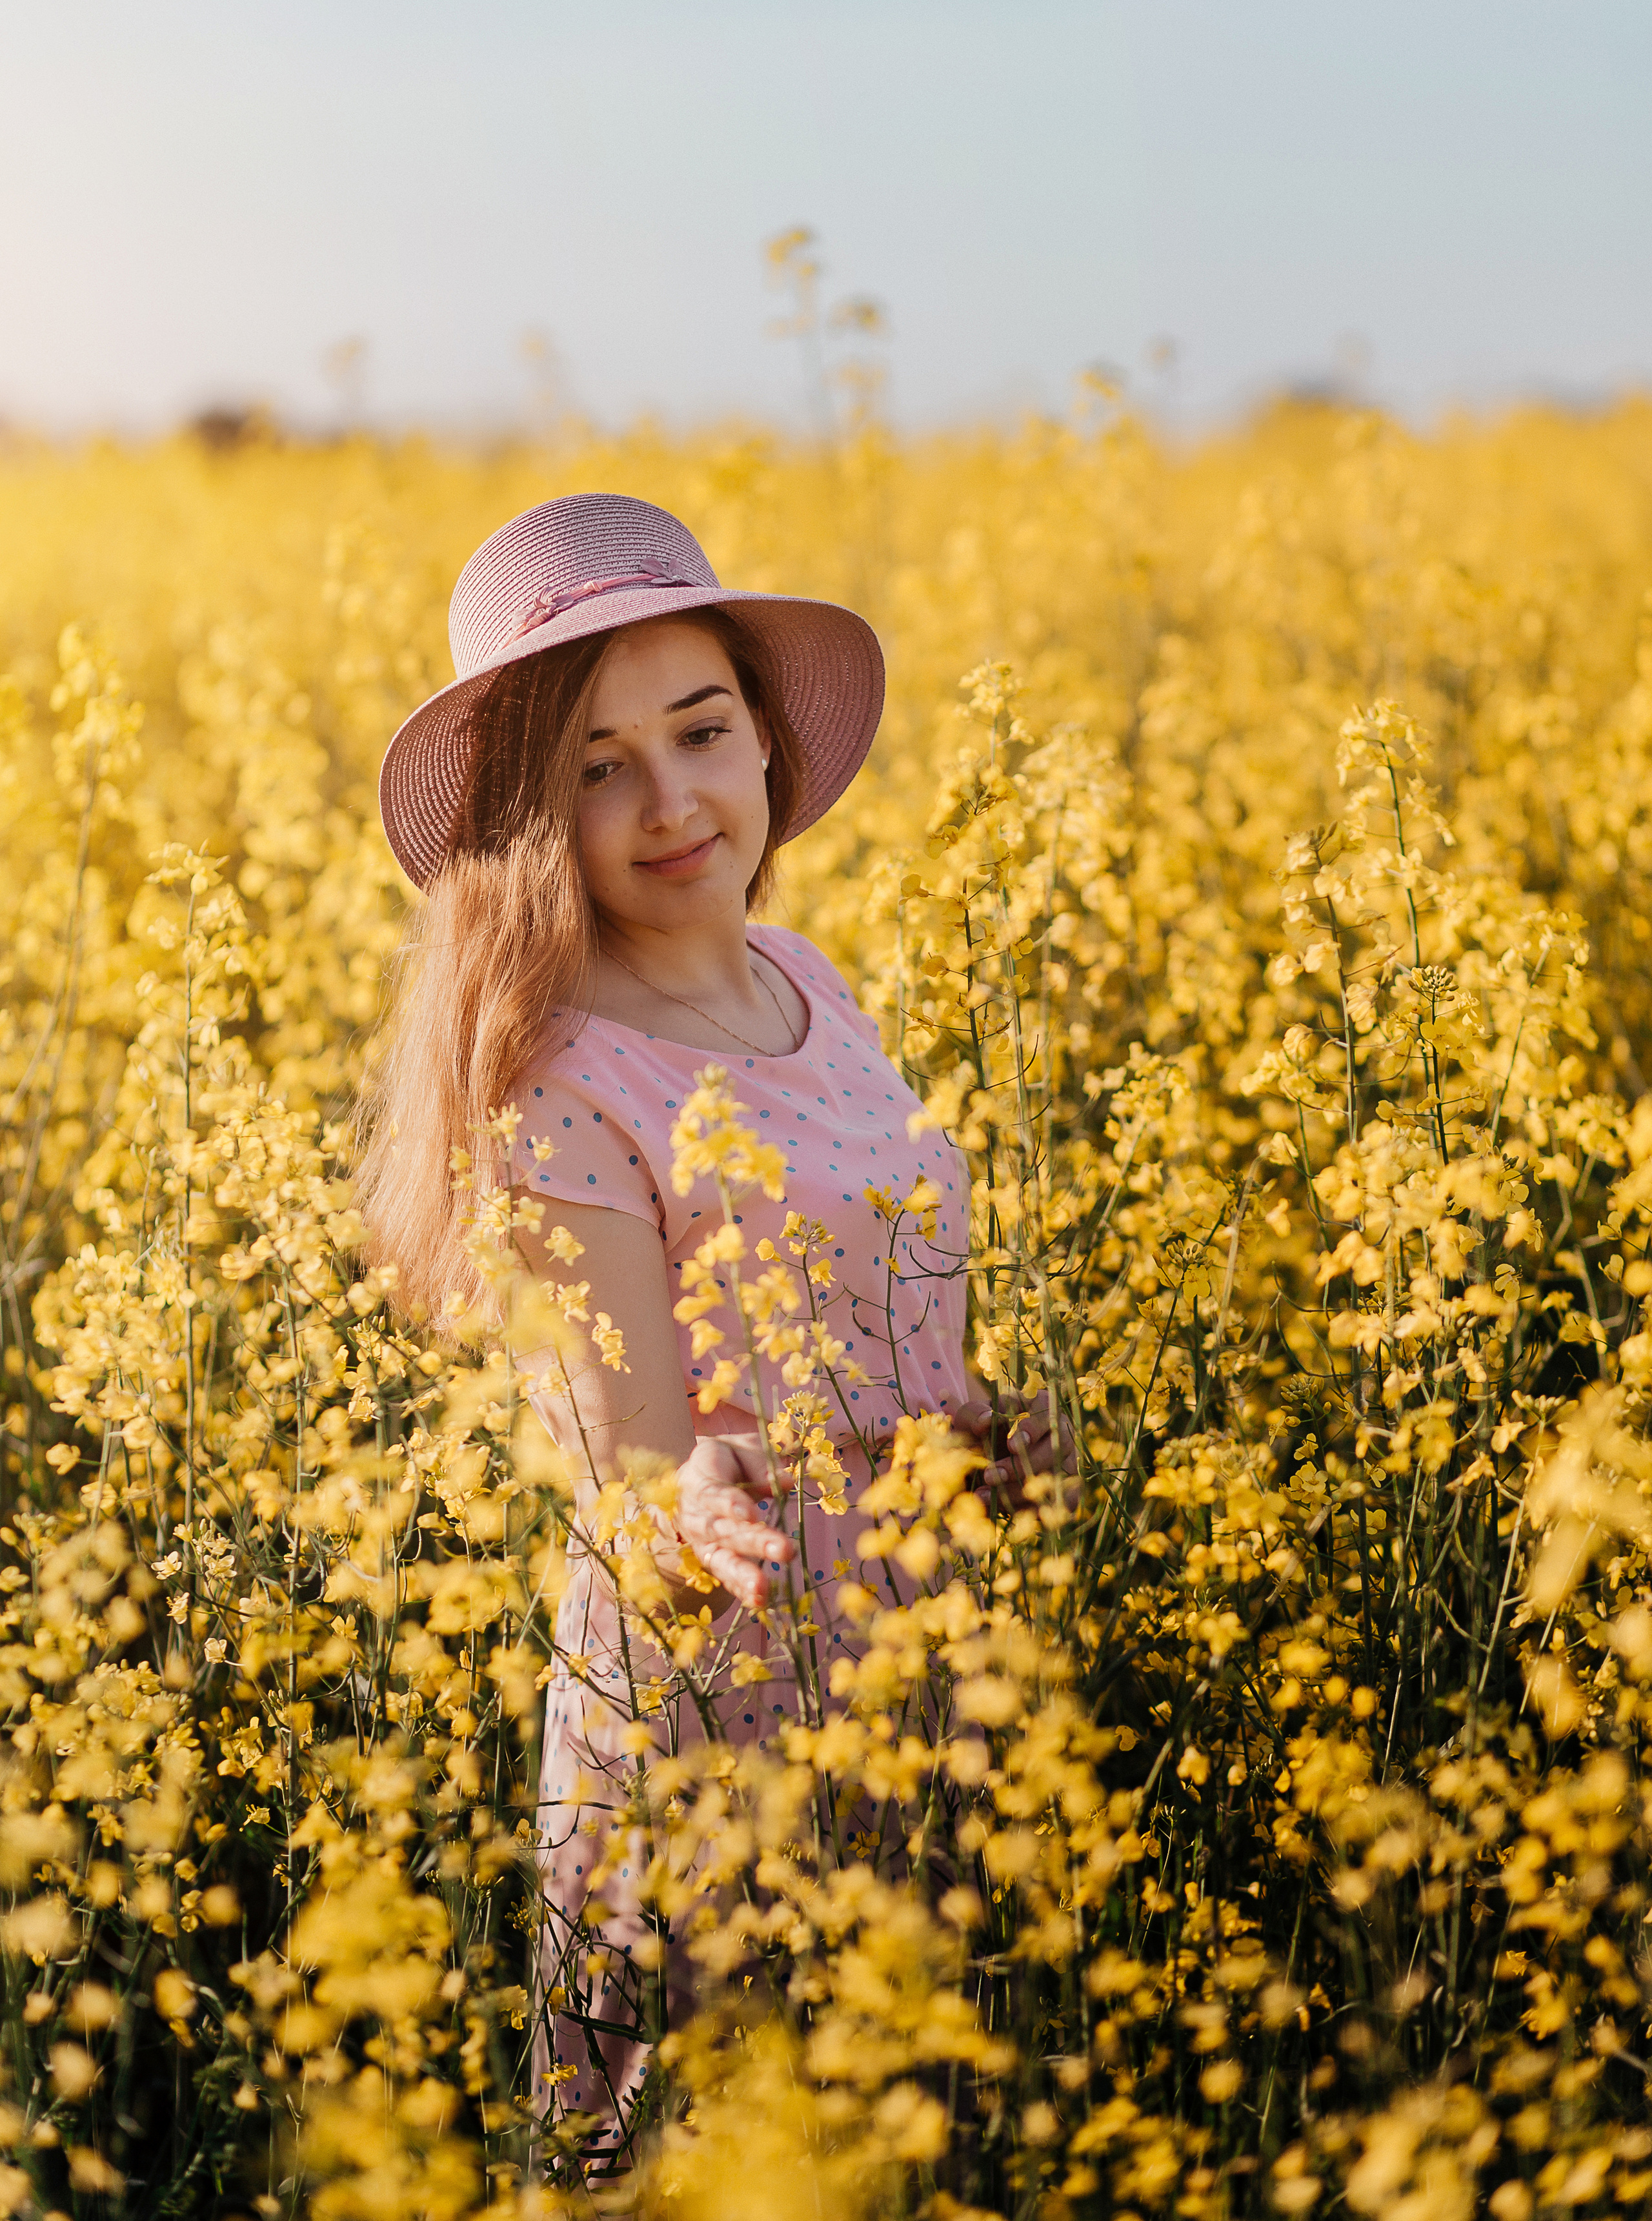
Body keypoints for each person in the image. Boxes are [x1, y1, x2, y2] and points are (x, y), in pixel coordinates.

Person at [358, 494, 1065, 2165]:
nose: (671, 798)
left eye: (702, 730)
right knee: (707, 2154)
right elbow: (638, 1467)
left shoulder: (812, 981)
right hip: (723, 1707)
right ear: (537, 816)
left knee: (911, 2133)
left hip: (920, 1663)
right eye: (599, 765)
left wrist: (983, 1435)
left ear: (765, 749)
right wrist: (701, 1498)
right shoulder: (557, 1080)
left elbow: (895, 1303)